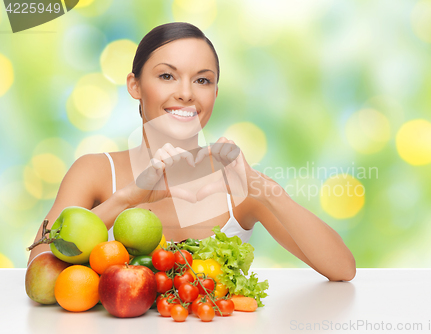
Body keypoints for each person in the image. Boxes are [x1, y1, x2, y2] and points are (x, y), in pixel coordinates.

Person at [27, 22, 356, 282]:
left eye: (202, 80)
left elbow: (342, 269)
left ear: (215, 92)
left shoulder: (238, 185)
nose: (185, 93)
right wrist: (127, 199)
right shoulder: (96, 172)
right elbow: (41, 267)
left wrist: (264, 188)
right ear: (135, 85)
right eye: (167, 76)